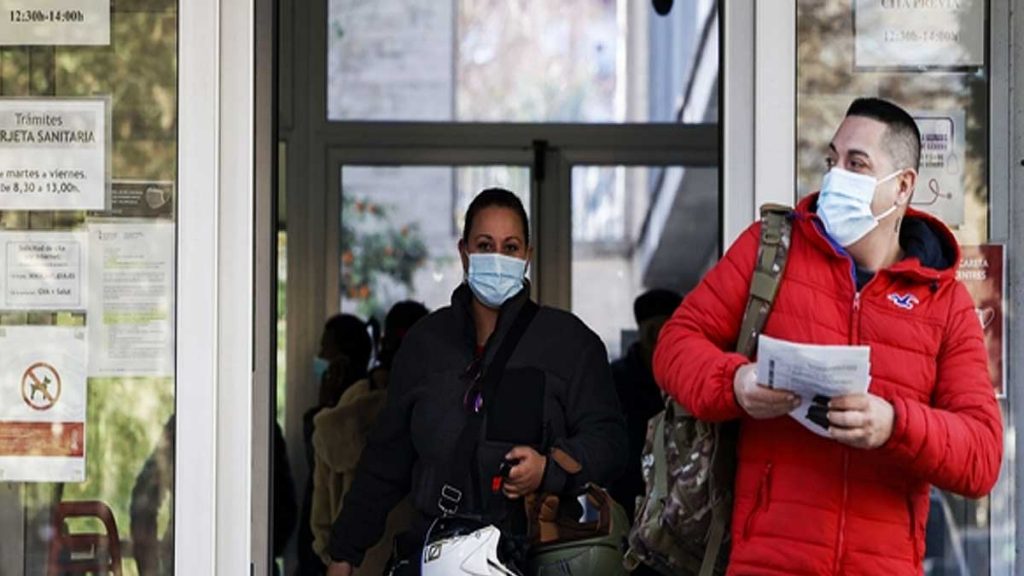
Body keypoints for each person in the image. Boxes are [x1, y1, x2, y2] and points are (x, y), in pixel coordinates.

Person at [653, 97, 1002, 575]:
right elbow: (675, 345)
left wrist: (894, 424)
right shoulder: (771, 251)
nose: (836, 176)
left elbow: (981, 457)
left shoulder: (943, 300)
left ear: (902, 187)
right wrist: (736, 384)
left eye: (857, 164)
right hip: (767, 562)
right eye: (832, 160)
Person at [325, 188, 628, 575]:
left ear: (527, 257)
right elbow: (385, 462)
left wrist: (548, 468)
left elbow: (610, 441)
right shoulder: (425, 344)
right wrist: (343, 554)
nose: (498, 258)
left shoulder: (569, 343)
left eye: (511, 247)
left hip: (526, 558)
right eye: (485, 245)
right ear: (464, 251)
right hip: (435, 556)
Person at [310, 300, 429, 574]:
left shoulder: (348, 406)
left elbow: (322, 513)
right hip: (421, 561)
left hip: (354, 563)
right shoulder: (433, 407)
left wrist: (334, 555)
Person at [130, 416, 296, 576]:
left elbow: (143, 502)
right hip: (235, 562)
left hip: (192, 561)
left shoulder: (185, 422)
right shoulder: (262, 424)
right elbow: (286, 511)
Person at [299, 314, 374, 575]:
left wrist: (325, 406)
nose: (320, 355)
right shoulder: (369, 408)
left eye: (325, 348)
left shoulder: (339, 420)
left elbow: (320, 507)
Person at [608, 288, 681, 525]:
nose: (656, 338)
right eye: (651, 330)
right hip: (627, 497)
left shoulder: (684, 377)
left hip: (680, 497)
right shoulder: (615, 378)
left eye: (663, 329)